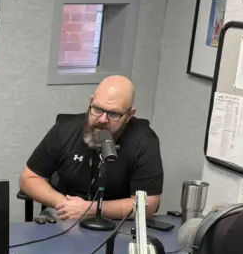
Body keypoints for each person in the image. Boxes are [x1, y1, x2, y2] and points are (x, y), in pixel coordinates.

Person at [19, 75, 163, 220]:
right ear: (91, 102)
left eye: (113, 114)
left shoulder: (144, 141)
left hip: (115, 221)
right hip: (64, 213)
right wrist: (65, 204)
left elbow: (148, 204)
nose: (102, 119)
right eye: (97, 109)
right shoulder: (65, 129)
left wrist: (91, 209)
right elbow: (29, 178)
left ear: (129, 115)